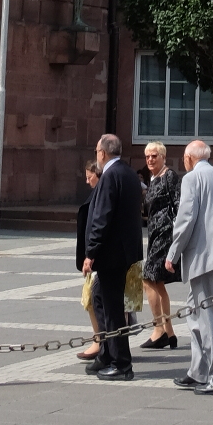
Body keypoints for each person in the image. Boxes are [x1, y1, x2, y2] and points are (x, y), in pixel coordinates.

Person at [165, 137, 213, 396]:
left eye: (184, 158)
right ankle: (198, 370)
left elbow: (186, 220)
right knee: (193, 311)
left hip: (202, 257)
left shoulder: (191, 179)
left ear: (189, 158)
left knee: (207, 317)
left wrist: (173, 254)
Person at [82, 132, 144, 381]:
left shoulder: (110, 175)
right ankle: (107, 353)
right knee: (99, 296)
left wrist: (91, 252)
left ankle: (121, 363)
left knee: (113, 308)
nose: (96, 155)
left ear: (103, 153)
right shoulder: (128, 173)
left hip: (112, 253)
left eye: (97, 151)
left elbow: (102, 216)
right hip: (125, 251)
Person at [140, 140, 181, 350]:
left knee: (148, 278)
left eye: (154, 156)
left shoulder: (169, 176)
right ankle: (169, 332)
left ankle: (159, 330)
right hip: (155, 235)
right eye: (147, 156)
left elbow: (179, 205)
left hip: (165, 235)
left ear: (163, 157)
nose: (150, 159)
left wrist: (178, 237)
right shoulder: (153, 178)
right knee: (157, 283)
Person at [75, 163, 103, 363]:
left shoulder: (102, 194)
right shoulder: (98, 193)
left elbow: (98, 226)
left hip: (99, 258)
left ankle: (100, 341)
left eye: (89, 177)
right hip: (95, 255)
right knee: (92, 299)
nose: (87, 181)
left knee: (93, 298)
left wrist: (90, 255)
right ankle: (102, 341)